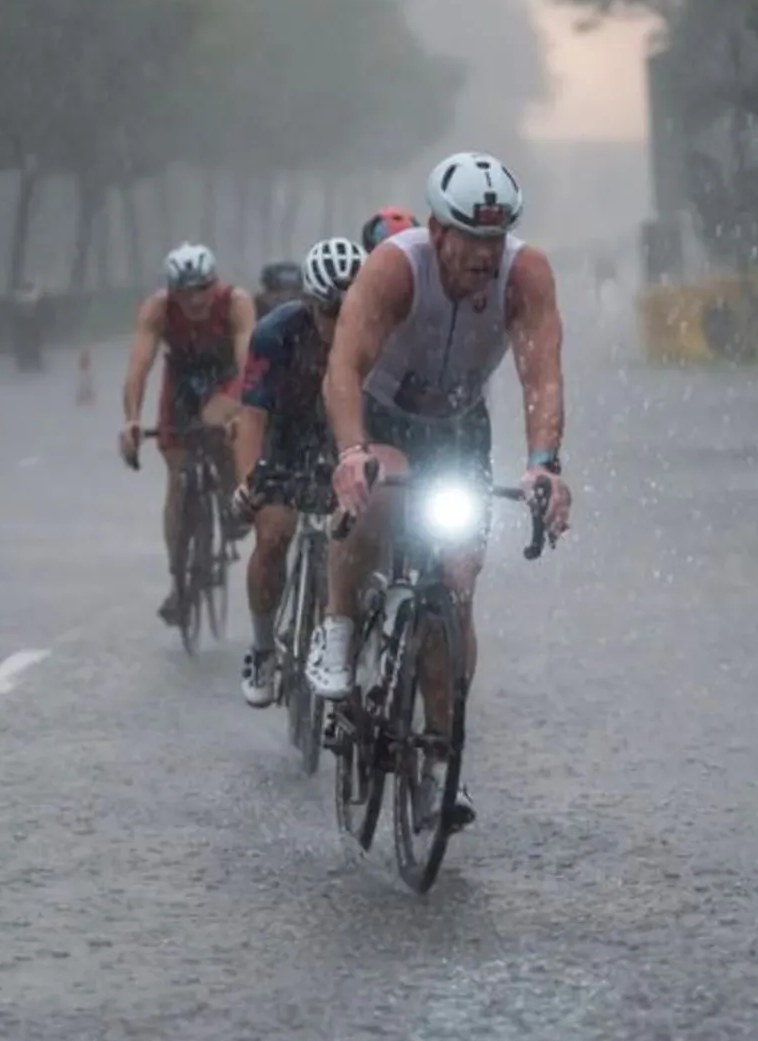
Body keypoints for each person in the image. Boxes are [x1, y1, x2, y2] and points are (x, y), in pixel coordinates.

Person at [311, 152, 573, 829]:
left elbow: (540, 375)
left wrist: (545, 462)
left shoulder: (526, 275)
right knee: (379, 497)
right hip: (380, 415)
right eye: (470, 240)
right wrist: (349, 452)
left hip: (458, 425)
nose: (484, 256)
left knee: (457, 583)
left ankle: (438, 756)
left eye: (495, 239)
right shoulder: (398, 267)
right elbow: (343, 366)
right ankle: (338, 626)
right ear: (436, 228)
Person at [229, 236, 366, 708]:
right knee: (273, 533)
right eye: (330, 311)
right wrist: (249, 482)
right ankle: (264, 648)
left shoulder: (383, 329)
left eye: (350, 310)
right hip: (288, 439)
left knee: (371, 537)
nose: (340, 322)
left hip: (352, 441)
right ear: (309, 303)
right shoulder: (274, 333)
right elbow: (252, 417)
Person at [118, 242, 258, 625]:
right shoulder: (158, 310)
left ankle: (233, 501)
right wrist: (132, 419)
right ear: (172, 291)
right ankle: (179, 576)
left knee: (222, 431)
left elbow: (249, 367)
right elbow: (138, 367)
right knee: (178, 480)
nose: (195, 300)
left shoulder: (236, 303)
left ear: (215, 284)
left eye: (202, 289)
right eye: (185, 292)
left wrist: (239, 413)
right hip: (181, 384)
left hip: (226, 380)